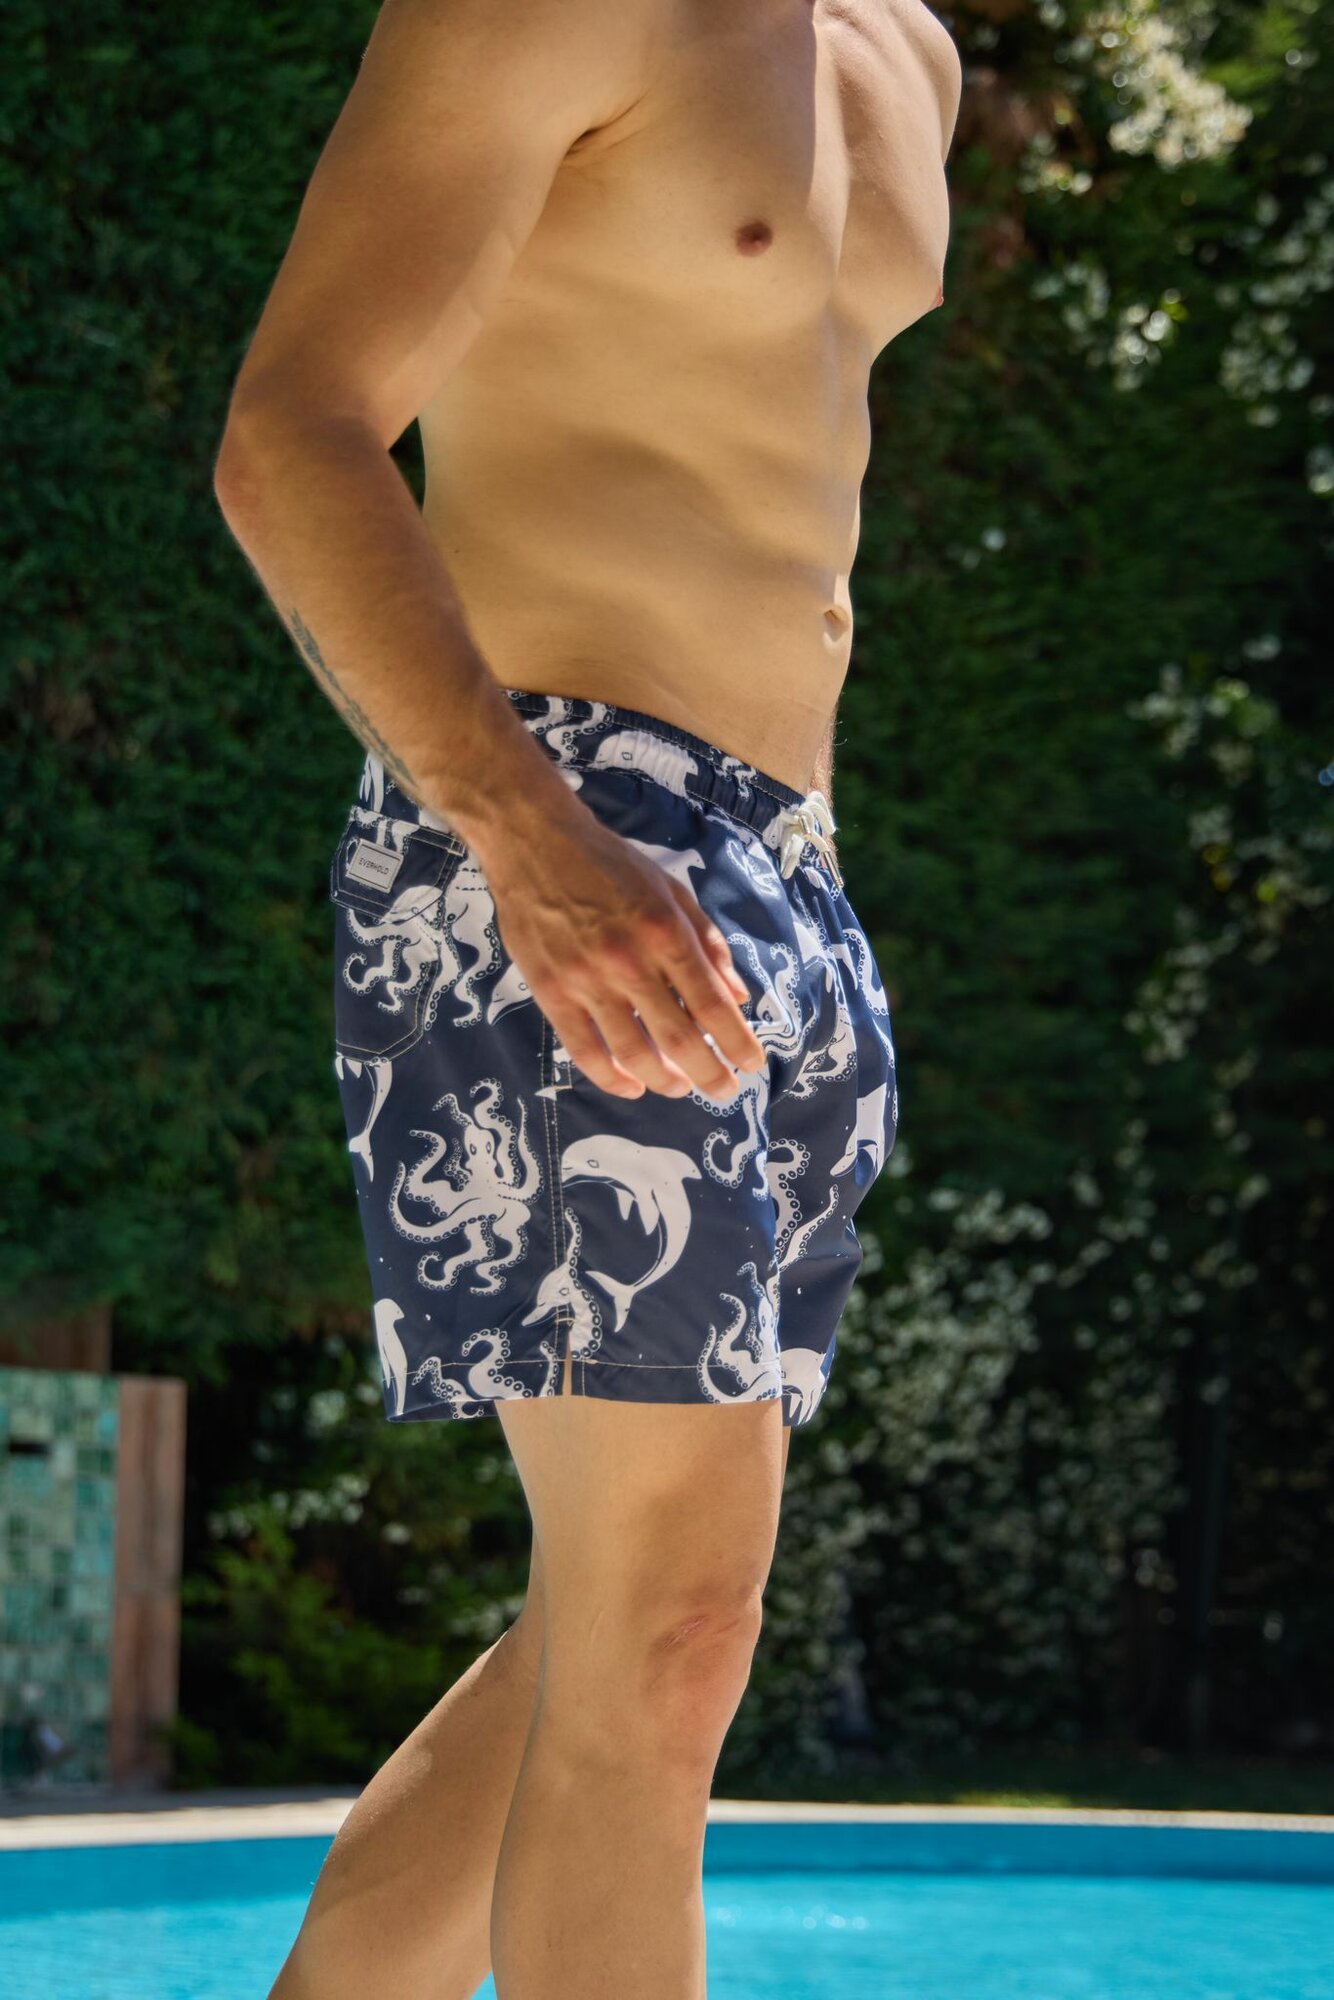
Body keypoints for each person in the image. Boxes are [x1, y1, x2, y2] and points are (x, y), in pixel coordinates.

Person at [213, 0, 961, 1991]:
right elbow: (290, 429)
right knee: (665, 1636)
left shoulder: (906, 54)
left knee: (618, 1624)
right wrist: (522, 835)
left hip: (788, 878)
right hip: (561, 822)